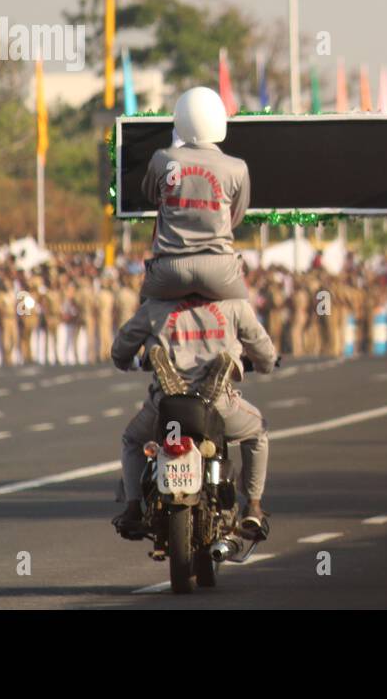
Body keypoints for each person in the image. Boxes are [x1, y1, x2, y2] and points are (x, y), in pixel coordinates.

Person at [110, 294, 278, 541]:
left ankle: (134, 507)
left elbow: (121, 350)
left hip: (166, 409)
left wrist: (128, 360)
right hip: (217, 406)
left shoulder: (155, 307)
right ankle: (253, 507)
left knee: (133, 440)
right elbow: (265, 354)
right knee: (257, 431)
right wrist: (264, 364)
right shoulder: (235, 307)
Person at [139, 87, 251, 302]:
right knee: (247, 322)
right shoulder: (238, 167)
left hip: (170, 266)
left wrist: (174, 152)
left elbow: (151, 196)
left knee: (141, 322)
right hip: (218, 266)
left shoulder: (162, 158)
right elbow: (236, 216)